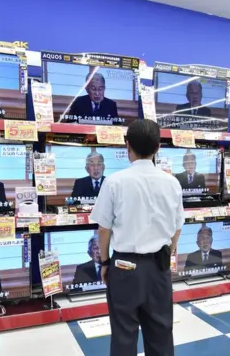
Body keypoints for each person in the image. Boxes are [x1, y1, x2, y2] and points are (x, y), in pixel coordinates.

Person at [90, 119, 183, 356]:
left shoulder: (114, 182)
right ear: (158, 147)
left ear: (127, 145)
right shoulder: (172, 183)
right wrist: (168, 253)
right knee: (161, 334)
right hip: (158, 269)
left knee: (123, 336)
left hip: (124, 266)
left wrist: (103, 262)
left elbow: (103, 229)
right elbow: (177, 228)